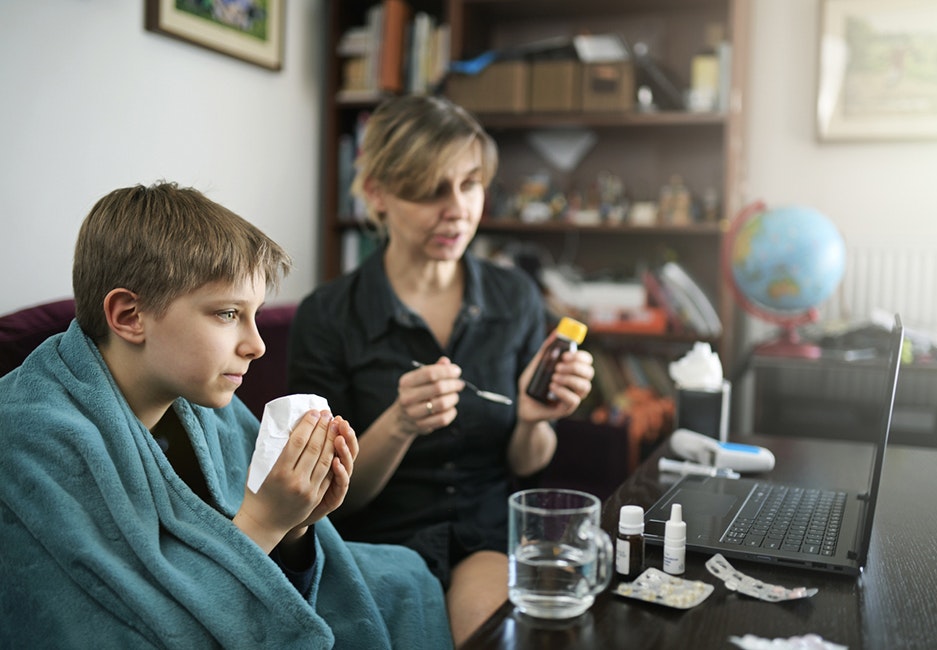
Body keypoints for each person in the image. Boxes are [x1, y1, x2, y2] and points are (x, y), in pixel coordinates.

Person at [0, 182, 452, 649]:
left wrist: (297, 525)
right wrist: (265, 522)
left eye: (254, 314)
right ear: (129, 315)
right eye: (228, 314)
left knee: (407, 576)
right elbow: (117, 628)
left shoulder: (202, 401)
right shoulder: (28, 436)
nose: (256, 345)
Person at [288, 95, 596, 645]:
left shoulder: (515, 297)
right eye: (431, 190)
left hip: (484, 538)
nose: (456, 209)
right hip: (374, 542)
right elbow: (324, 498)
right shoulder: (328, 315)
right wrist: (400, 423)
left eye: (469, 184)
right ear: (377, 194)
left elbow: (528, 466)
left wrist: (532, 420)